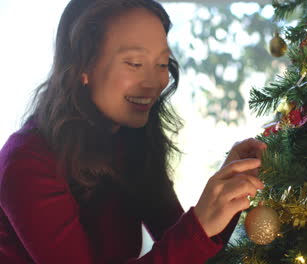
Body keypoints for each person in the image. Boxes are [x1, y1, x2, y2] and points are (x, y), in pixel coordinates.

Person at [0, 0, 267, 263]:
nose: (154, 83)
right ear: (83, 66)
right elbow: (188, 242)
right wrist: (199, 227)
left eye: (162, 64)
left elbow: (188, 252)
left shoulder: (132, 141)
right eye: (135, 63)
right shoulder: (26, 161)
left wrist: (229, 186)